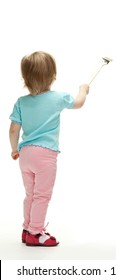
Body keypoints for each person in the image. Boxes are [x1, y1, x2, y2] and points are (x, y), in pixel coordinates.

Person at [9, 51, 89, 246]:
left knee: (30, 194)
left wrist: (14, 150)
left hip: (25, 154)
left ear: (25, 78)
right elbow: (78, 103)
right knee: (42, 195)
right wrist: (83, 90)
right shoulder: (58, 98)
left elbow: (13, 130)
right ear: (53, 75)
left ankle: (27, 229)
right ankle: (36, 233)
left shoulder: (21, 102)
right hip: (45, 155)